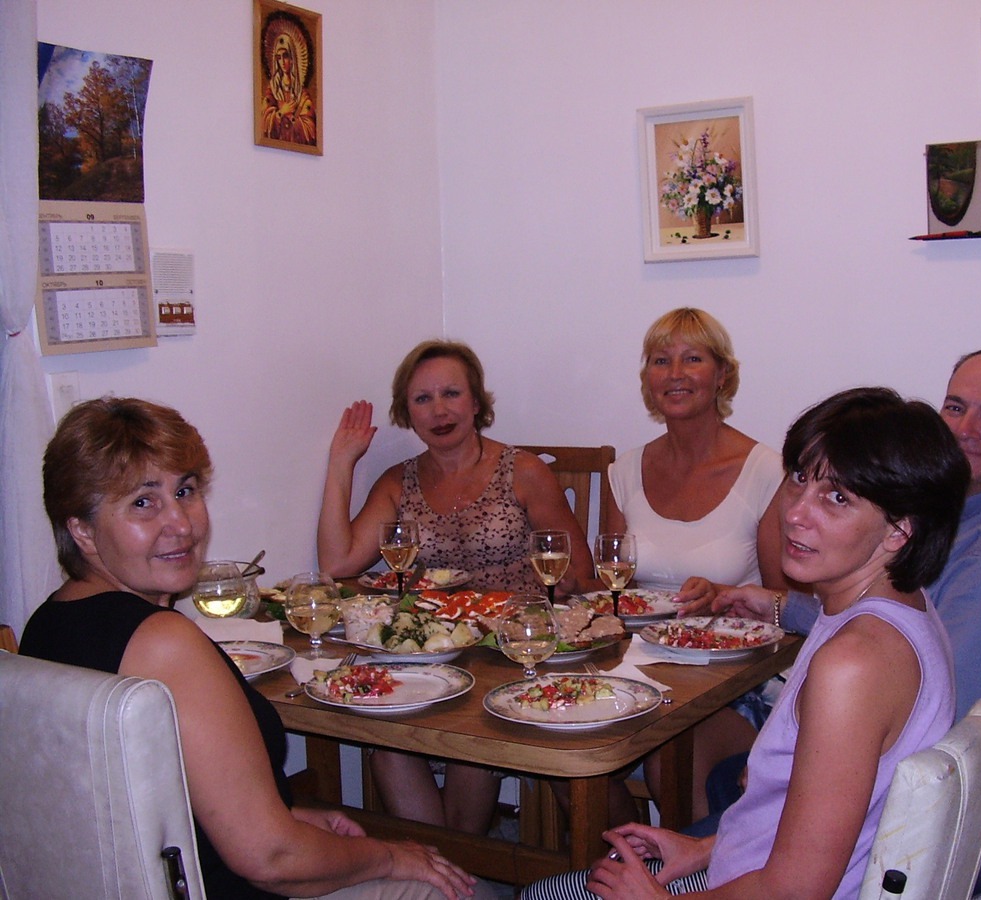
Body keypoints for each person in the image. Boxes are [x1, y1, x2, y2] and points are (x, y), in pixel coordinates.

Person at [21, 397, 481, 900]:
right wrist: (391, 856)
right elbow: (272, 859)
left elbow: (141, 798)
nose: (182, 524)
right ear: (82, 530)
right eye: (143, 503)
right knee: (454, 890)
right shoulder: (162, 643)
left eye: (185, 491)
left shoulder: (44, 626)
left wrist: (282, 814)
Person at [520, 387, 970, 900]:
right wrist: (704, 847)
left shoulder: (855, 663)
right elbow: (816, 819)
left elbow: (795, 891)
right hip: (747, 862)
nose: (796, 513)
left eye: (838, 498)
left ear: (898, 531)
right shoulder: (900, 607)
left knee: (540, 895)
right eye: (800, 478)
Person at [719, 348, 981, 894]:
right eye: (955, 407)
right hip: (837, 825)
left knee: (721, 758)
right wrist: (783, 606)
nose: (965, 429)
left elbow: (927, 720)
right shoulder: (945, 542)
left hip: (963, 822)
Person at [317, 339, 595, 835]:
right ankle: (444, 866)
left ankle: (455, 860)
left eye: (451, 393)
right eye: (423, 399)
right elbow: (338, 562)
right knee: (385, 734)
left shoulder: (523, 471)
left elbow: (576, 573)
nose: (439, 411)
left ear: (476, 401)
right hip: (435, 650)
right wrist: (342, 463)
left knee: (474, 733)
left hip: (511, 650)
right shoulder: (398, 482)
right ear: (407, 411)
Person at [603, 307, 786, 820]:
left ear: (722, 374)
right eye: (661, 361)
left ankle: (687, 859)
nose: (676, 374)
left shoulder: (765, 470)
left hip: (737, 674)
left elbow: (789, 606)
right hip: (641, 662)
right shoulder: (624, 471)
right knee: (562, 724)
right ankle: (630, 853)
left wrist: (724, 596)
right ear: (648, 378)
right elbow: (610, 588)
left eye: (693, 359)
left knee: (671, 750)